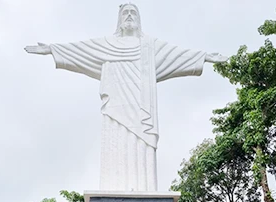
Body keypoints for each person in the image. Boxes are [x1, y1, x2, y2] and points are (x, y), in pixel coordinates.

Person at [24, 3, 227, 191]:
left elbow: (177, 55)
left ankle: (145, 187)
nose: (129, 16)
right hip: (115, 107)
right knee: (115, 141)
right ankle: (113, 185)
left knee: (142, 145)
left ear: (139, 19)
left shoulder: (149, 46)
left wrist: (205, 57)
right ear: (119, 20)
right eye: (125, 13)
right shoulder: (107, 45)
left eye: (133, 13)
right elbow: (82, 49)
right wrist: (52, 49)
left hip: (141, 108)